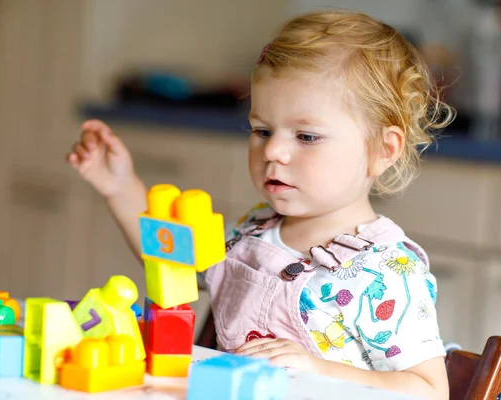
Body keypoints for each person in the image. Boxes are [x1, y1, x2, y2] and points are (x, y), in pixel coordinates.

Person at [67, 10, 454, 399]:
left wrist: (319, 368)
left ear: (382, 150)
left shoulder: (386, 271)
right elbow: (171, 261)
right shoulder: (256, 231)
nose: (272, 150)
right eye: (262, 130)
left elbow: (428, 389)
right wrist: (118, 186)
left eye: (306, 136)